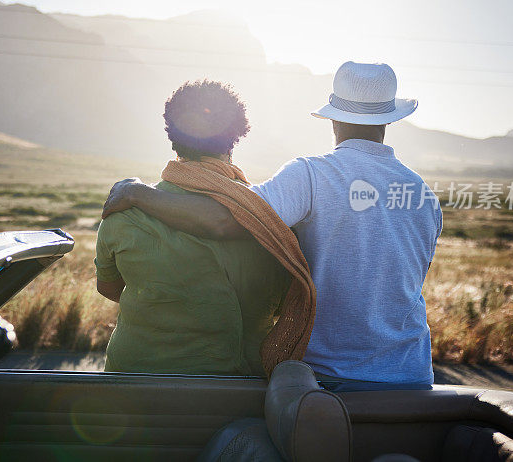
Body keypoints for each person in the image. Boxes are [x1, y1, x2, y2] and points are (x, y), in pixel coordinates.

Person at [103, 62, 442, 385]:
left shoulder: (312, 175)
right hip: (411, 371)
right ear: (389, 120)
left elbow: (228, 218)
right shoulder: (424, 195)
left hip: (327, 373)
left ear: (334, 119)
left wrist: (137, 194)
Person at [95, 80, 290, 376]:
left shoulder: (123, 211)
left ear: (171, 133)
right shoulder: (269, 219)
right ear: (237, 134)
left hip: (132, 388)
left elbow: (109, 288)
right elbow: (283, 304)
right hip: (242, 391)